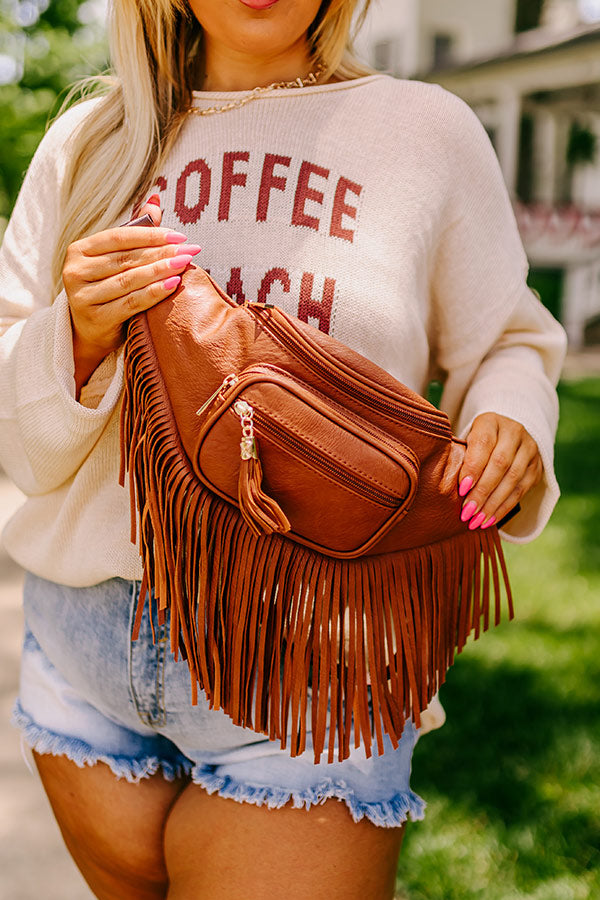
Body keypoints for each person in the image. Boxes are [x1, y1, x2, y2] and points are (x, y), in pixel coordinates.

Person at [0, 0, 567, 897]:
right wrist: (73, 335)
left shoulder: (423, 132)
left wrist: (512, 419)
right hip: (82, 659)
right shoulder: (87, 139)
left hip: (317, 661)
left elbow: (509, 339)